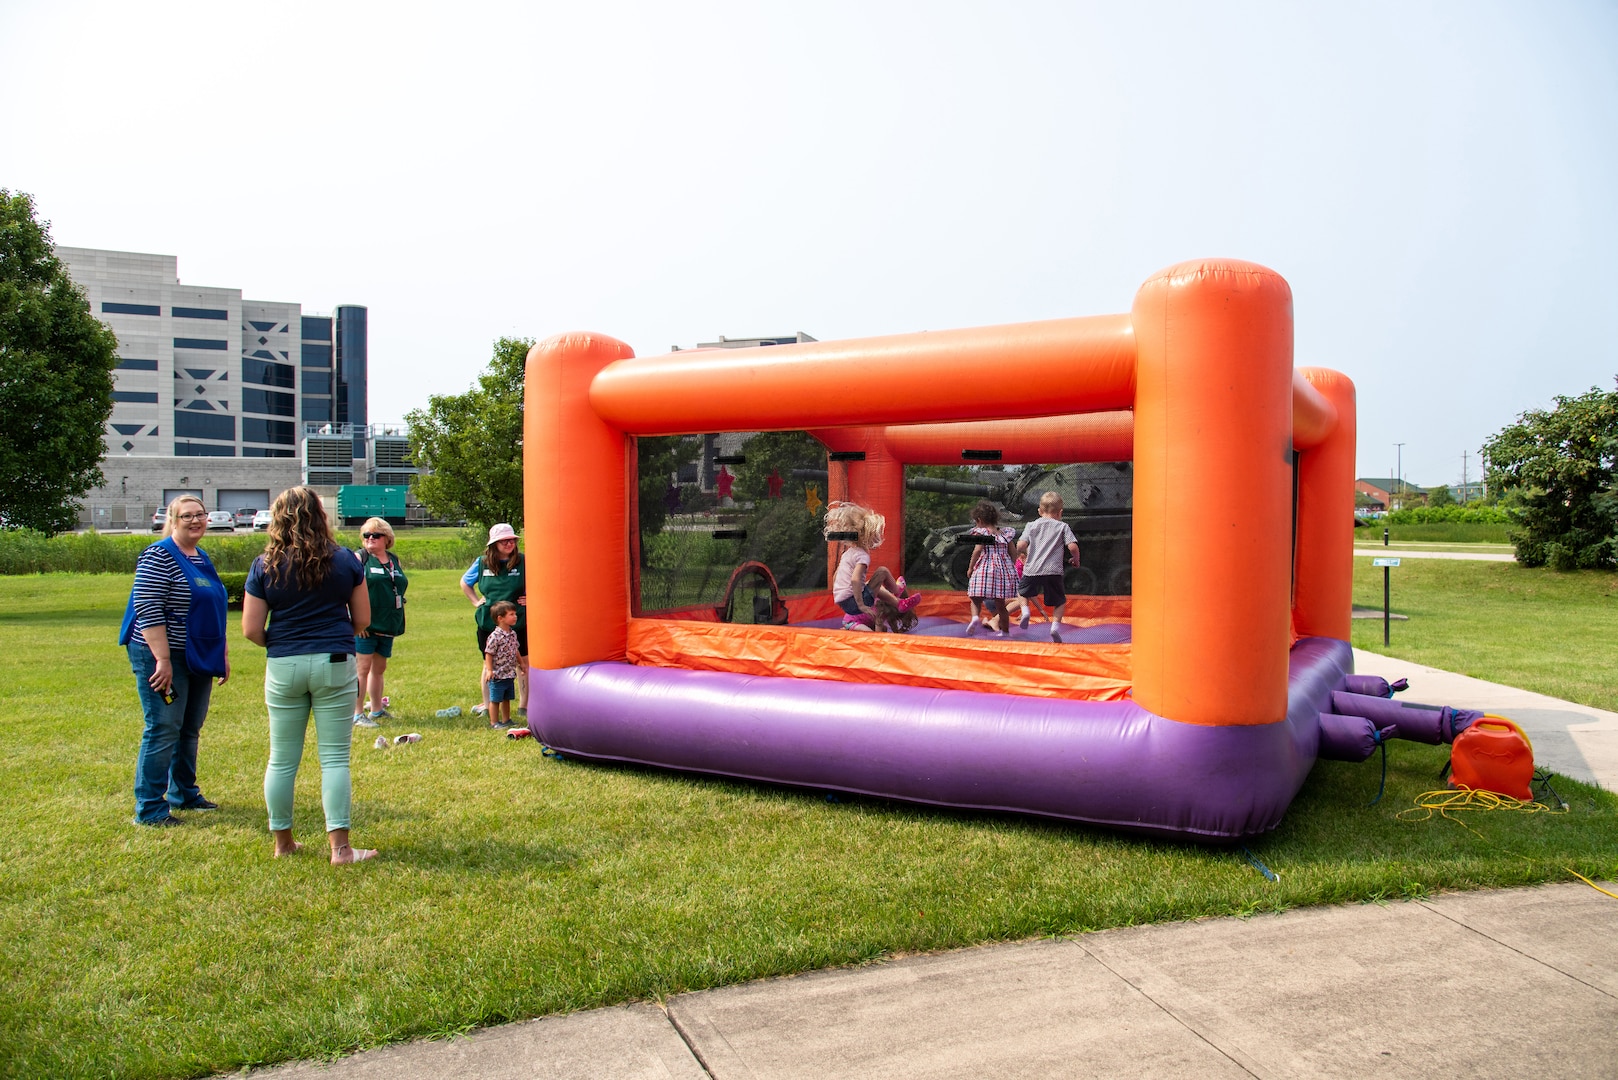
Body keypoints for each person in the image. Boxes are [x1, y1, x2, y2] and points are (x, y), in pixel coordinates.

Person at [242, 486, 375, 865]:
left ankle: (283, 843)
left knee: (282, 759)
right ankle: (342, 849)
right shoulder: (346, 560)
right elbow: (362, 620)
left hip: (284, 662)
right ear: (320, 515)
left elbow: (251, 629)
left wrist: (283, 642)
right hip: (334, 659)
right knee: (334, 760)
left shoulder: (263, 564)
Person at [118, 494, 231, 827]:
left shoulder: (200, 557)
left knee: (190, 728)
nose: (196, 521)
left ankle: (184, 793)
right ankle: (150, 808)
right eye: (187, 516)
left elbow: (213, 609)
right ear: (173, 520)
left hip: (196, 655)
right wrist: (162, 659)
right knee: (164, 727)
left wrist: (221, 655)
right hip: (161, 654)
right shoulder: (158, 555)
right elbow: (148, 608)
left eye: (200, 515)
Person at [460, 523, 527, 718]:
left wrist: (532, 597)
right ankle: (489, 705)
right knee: (488, 663)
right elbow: (465, 582)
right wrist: (475, 601)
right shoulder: (482, 563)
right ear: (494, 544)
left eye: (512, 540)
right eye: (503, 541)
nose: (509, 544)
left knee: (523, 661)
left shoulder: (523, 561)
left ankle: (524, 705)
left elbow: (540, 581)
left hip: (518, 620)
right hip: (489, 622)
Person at [824, 502, 919, 631]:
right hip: (854, 604)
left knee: (875, 584)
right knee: (882, 571)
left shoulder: (848, 553)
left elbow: (837, 577)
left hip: (844, 602)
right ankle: (897, 592)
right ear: (867, 537)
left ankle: (898, 598)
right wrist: (861, 605)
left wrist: (841, 593)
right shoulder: (862, 556)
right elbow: (855, 579)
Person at [351, 517, 407, 728]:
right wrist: (357, 620)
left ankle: (376, 709)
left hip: (388, 623)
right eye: (367, 535)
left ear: (387, 538)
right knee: (362, 668)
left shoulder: (393, 560)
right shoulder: (360, 558)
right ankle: (357, 714)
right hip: (366, 625)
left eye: (376, 535)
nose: (370, 539)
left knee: (379, 667)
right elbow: (347, 590)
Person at [1016, 491, 1081, 643]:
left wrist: (1022, 553)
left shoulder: (1031, 525)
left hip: (1032, 569)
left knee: (1022, 592)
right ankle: (1055, 627)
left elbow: (1021, 545)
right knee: (1060, 602)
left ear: (1039, 511)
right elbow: (1073, 547)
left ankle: (1025, 611)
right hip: (1053, 571)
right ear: (1060, 512)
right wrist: (1076, 559)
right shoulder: (1062, 526)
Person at [964, 500, 1018, 637]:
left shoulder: (984, 533)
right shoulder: (1004, 533)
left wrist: (970, 568)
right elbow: (1013, 551)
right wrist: (1010, 565)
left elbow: (977, 550)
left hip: (985, 567)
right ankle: (1005, 633)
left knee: (975, 598)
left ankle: (975, 617)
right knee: (1000, 605)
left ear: (980, 520)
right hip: (1002, 569)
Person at [482, 601, 522, 728]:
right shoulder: (495, 636)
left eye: (515, 614)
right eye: (511, 614)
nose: (515, 616)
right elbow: (488, 653)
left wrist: (521, 664)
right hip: (497, 674)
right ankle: (494, 722)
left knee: (506, 698)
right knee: (495, 700)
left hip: (509, 673)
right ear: (500, 618)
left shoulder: (512, 634)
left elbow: (516, 650)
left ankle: (506, 720)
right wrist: (489, 670)